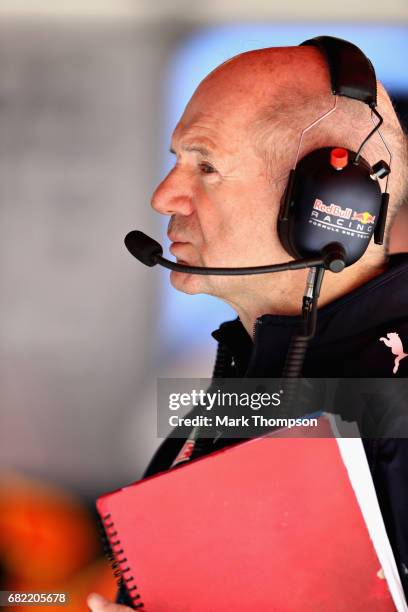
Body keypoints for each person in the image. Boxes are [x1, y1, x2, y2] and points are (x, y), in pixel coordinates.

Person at [87, 40, 408, 611]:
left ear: (324, 201)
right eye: (175, 161)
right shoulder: (249, 373)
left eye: (205, 165)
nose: (165, 197)